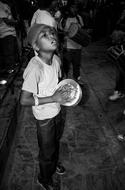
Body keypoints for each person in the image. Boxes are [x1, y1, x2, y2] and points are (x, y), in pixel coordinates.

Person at [20, 24, 69, 190]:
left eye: (52, 33)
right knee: (46, 151)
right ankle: (44, 177)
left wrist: (65, 90)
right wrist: (53, 98)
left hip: (57, 111)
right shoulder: (35, 68)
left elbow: (57, 81)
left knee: (54, 143)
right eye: (45, 35)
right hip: (44, 118)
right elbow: (24, 100)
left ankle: (52, 165)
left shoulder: (56, 59)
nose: (51, 36)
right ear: (35, 46)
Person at [62, 3, 84, 82]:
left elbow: (82, 29)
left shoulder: (79, 18)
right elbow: (61, 31)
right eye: (72, 7)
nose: (74, 9)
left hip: (78, 46)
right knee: (66, 65)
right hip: (68, 46)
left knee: (77, 65)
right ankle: (66, 79)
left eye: (76, 7)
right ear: (69, 8)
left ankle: (77, 79)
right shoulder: (65, 19)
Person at [0, 0, 19, 75]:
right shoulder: (0, 5)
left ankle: (12, 69)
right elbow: (6, 20)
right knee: (8, 53)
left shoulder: (7, 5)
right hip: (5, 33)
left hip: (11, 32)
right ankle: (10, 71)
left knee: (12, 52)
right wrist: (16, 22)